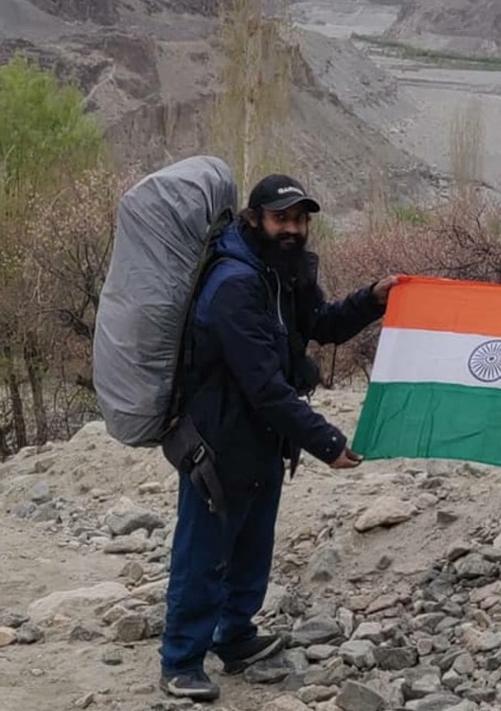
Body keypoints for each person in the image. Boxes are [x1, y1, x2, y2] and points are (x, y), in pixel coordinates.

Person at [159, 174, 398, 703]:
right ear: (253, 219)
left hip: (265, 439)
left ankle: (236, 636)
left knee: (252, 546)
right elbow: (264, 386)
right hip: (217, 442)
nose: (293, 228)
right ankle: (180, 660)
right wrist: (327, 442)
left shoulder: (283, 273)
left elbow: (325, 324)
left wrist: (374, 299)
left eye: (300, 219)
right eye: (281, 218)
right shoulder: (234, 285)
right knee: (205, 551)